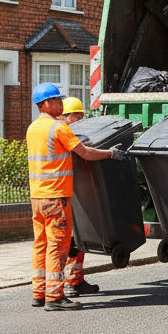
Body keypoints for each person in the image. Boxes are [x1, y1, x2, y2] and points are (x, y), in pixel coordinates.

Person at [27, 83, 125, 312]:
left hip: (37, 197)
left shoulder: (32, 128)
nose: (61, 104)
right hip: (56, 197)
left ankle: (39, 292)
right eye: (57, 100)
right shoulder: (59, 128)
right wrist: (111, 153)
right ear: (45, 104)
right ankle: (55, 296)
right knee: (58, 246)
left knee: (40, 244)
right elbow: (85, 152)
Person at [59, 96, 99, 298]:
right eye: (76, 116)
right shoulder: (63, 133)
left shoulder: (78, 134)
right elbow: (86, 154)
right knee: (69, 242)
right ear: (66, 116)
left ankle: (75, 280)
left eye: (82, 115)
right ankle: (66, 283)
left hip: (74, 191)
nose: (80, 119)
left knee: (77, 240)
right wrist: (108, 154)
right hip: (63, 194)